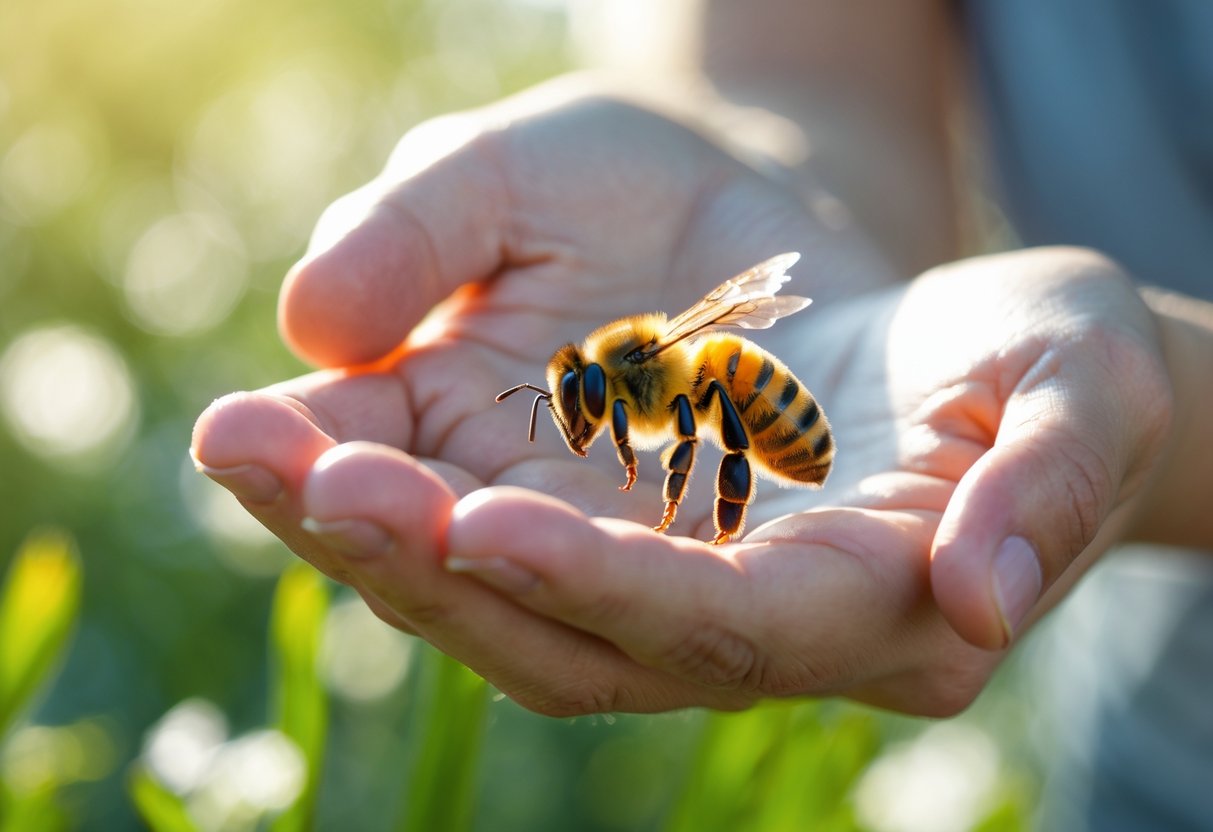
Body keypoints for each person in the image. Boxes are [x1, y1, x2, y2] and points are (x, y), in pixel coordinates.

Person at [191, 1, 1213, 825]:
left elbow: (694, 420)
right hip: (1148, 758)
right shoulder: (619, 368)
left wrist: (1170, 407)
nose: (583, 424)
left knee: (718, 411)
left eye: (585, 410)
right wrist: (756, 160)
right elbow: (813, 88)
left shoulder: (655, 378)